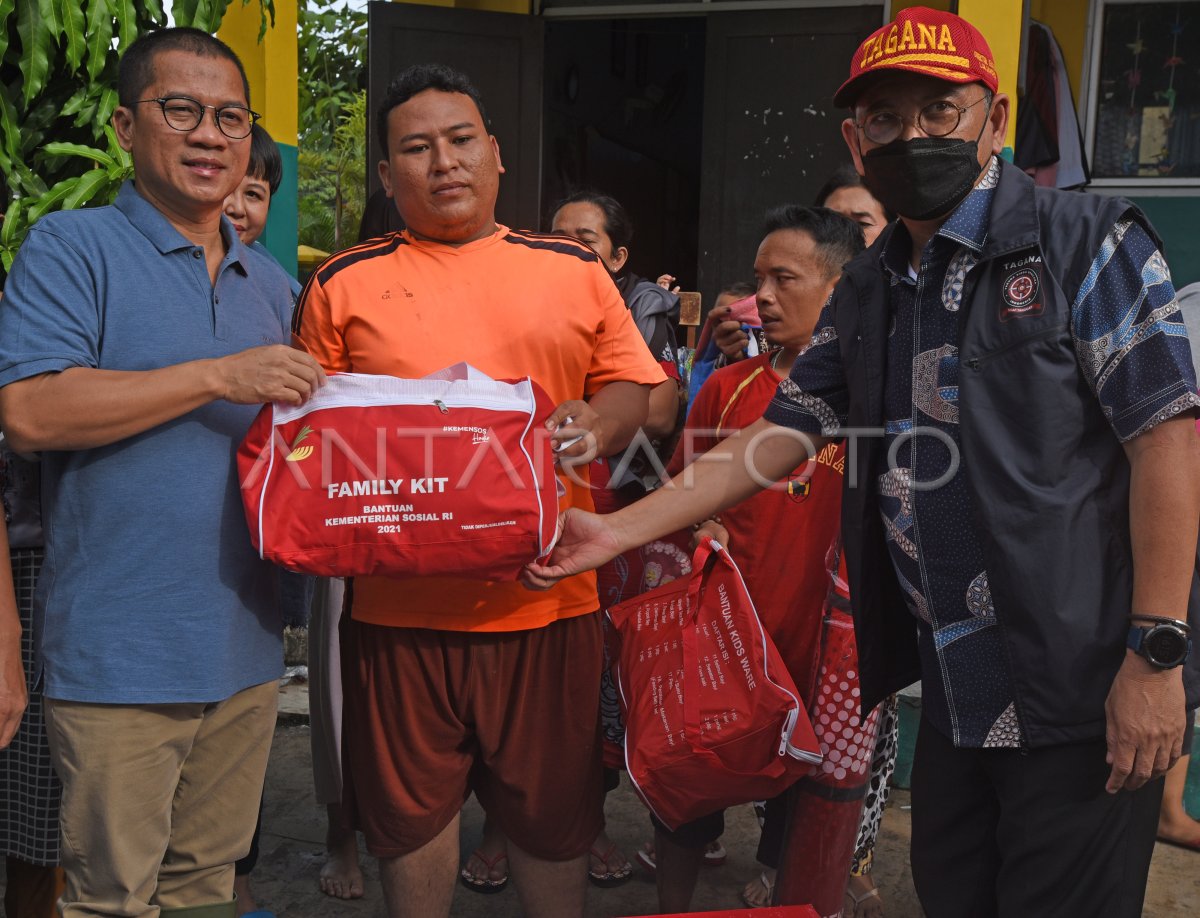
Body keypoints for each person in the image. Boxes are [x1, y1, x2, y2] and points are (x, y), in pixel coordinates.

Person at [526, 7, 1200, 917]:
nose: (914, 135)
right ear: (855, 135)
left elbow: (1166, 439)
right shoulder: (875, 285)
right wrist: (615, 528)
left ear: (993, 119)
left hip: (1080, 686)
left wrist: (1156, 658)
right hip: (957, 691)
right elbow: (779, 435)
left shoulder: (1086, 244)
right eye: (886, 118)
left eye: (941, 111)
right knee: (956, 895)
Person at [291, 63, 664, 918]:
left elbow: (630, 387)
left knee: (552, 818)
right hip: (396, 614)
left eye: (460, 141)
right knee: (408, 819)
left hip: (549, 600)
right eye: (416, 149)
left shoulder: (570, 269)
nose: (443, 162)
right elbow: (312, 438)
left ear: (495, 155)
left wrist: (597, 425)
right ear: (388, 177)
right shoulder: (342, 285)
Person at [0, 27, 325, 918]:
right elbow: (31, 411)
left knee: (204, 888)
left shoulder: (272, 285)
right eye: (179, 110)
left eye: (229, 117)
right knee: (111, 897)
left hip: (247, 646)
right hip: (119, 654)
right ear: (122, 128)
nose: (210, 136)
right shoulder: (72, 249)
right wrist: (220, 376)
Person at [646, 205, 862, 915]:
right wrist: (704, 522)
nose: (761, 296)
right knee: (689, 796)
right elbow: (682, 494)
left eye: (784, 279)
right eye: (760, 278)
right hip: (725, 646)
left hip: (820, 654)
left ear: (839, 287)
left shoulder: (873, 398)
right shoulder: (727, 387)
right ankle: (671, 906)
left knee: (803, 817)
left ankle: (787, 892)